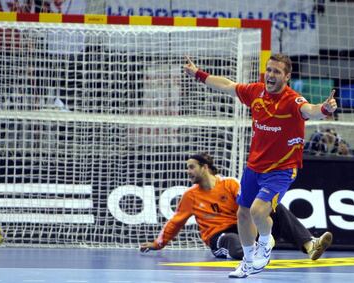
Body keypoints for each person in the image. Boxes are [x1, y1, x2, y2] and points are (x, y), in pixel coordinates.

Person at [183, 54, 337, 278]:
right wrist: (198, 74)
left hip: (281, 170)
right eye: (269, 70)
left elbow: (310, 110)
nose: (271, 75)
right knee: (243, 214)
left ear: (287, 76)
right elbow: (228, 85)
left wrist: (324, 109)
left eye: (277, 71)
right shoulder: (256, 92)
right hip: (254, 167)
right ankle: (247, 261)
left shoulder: (293, 101)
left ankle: (265, 245)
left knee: (257, 211)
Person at [140, 153, 333, 262]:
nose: (187, 171)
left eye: (191, 167)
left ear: (204, 167)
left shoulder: (230, 184)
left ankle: (309, 245)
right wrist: (158, 244)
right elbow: (175, 222)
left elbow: (249, 207)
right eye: (187, 167)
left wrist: (260, 221)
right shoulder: (190, 195)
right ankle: (256, 254)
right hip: (219, 237)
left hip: (244, 228)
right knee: (232, 241)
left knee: (276, 209)